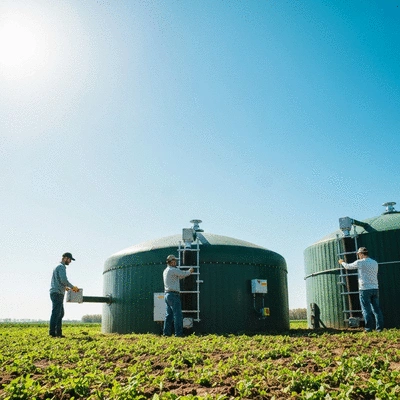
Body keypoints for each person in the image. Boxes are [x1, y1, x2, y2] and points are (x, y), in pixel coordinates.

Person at [338, 247, 384, 332]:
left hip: (365, 289)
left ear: (362, 254)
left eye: (359, 254)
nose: (358, 256)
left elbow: (348, 267)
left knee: (366, 310)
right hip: (375, 288)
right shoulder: (375, 262)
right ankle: (379, 328)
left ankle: (368, 328)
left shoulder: (360, 262)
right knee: (377, 309)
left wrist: (342, 262)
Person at [163, 254, 194, 337]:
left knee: (169, 315)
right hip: (173, 295)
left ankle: (166, 333)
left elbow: (178, 277)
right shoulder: (173, 270)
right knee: (178, 315)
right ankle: (179, 334)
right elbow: (183, 274)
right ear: (170, 262)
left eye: (175, 261)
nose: (174, 262)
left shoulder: (166, 270)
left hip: (167, 295)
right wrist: (189, 271)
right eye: (173, 261)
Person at [49, 252, 79, 338]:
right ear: (65, 258)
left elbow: (58, 280)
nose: (70, 262)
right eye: (69, 260)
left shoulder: (57, 267)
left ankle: (58, 332)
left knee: (60, 313)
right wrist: (73, 287)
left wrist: (65, 287)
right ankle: (53, 333)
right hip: (57, 293)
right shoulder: (61, 267)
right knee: (56, 313)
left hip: (56, 291)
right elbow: (63, 280)